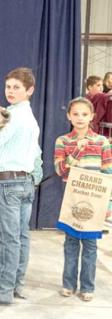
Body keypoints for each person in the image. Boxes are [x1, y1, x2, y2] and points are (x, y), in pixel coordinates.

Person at [0, 67, 43, 305]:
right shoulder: (31, 118)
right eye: (8, 87)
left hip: (5, 185)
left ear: (29, 90)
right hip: (24, 182)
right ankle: (15, 285)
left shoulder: (11, 115)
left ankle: (0, 292)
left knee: (9, 240)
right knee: (21, 237)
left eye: (17, 88)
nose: (11, 91)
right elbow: (36, 153)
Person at [54, 97, 112, 302]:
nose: (80, 118)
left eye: (84, 114)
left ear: (92, 117)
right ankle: (68, 284)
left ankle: (87, 286)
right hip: (72, 199)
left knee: (90, 245)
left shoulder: (102, 142)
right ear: (69, 116)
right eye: (76, 114)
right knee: (71, 242)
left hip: (95, 200)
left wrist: (108, 203)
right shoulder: (63, 141)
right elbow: (60, 169)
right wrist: (77, 148)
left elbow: (108, 172)